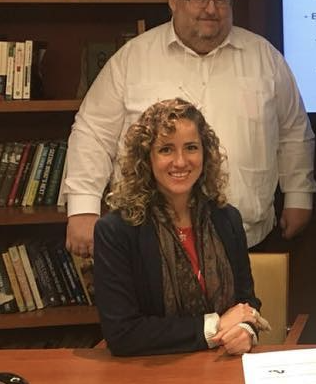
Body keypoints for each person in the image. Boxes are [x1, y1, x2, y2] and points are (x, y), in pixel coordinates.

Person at [64, 0, 316, 256]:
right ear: (174, 0)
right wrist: (82, 206)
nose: (211, 9)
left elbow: (293, 132)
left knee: (245, 305)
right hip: (150, 241)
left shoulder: (265, 59)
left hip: (245, 237)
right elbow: (93, 133)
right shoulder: (133, 59)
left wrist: (299, 195)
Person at [94, 98, 270, 356]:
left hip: (224, 367)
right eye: (166, 149)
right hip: (152, 374)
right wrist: (216, 326)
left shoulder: (226, 219)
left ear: (205, 153)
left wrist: (246, 330)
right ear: (146, 158)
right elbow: (123, 333)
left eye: (191, 147)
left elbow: (246, 303)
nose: (180, 161)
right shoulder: (117, 231)